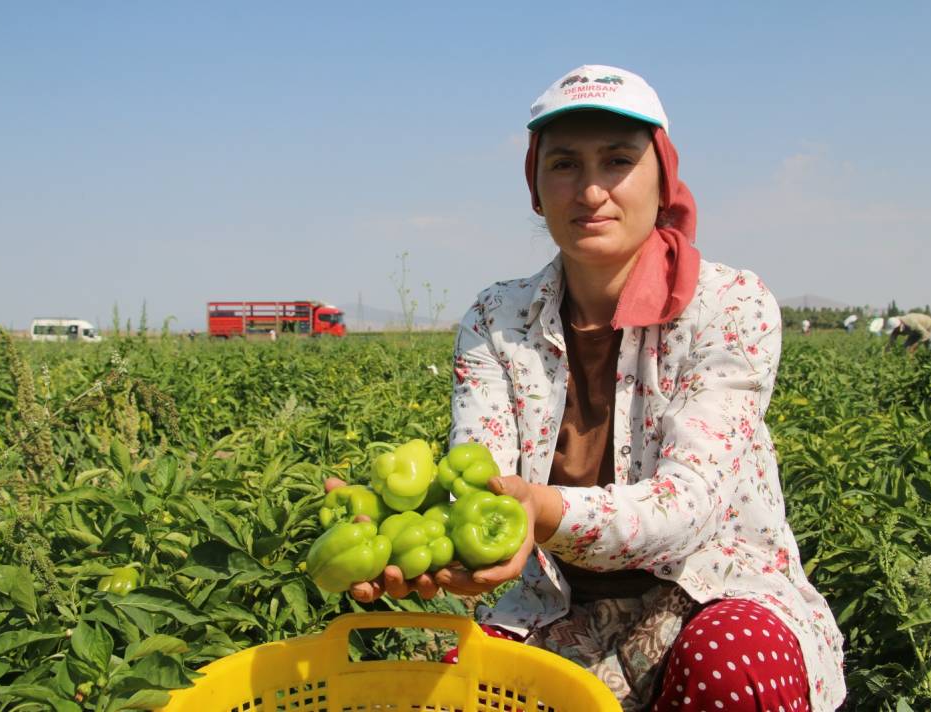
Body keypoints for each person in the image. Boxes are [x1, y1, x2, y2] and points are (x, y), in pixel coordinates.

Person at [327, 65, 845, 712]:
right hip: (559, 614)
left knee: (731, 670)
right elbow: (480, 475)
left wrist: (541, 512)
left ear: (664, 181)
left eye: (619, 161)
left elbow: (689, 507)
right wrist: (408, 522)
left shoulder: (731, 306)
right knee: (458, 697)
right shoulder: (497, 320)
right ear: (536, 190)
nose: (592, 190)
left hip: (712, 598)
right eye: (565, 164)